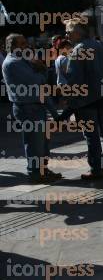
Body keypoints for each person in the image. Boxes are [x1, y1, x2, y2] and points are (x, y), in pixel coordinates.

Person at [2, 34, 63, 183]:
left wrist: (55, 112)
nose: (26, 46)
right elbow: (37, 80)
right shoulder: (12, 63)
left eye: (25, 42)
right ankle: (35, 173)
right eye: (22, 44)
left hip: (37, 106)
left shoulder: (25, 60)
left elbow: (41, 81)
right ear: (13, 47)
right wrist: (41, 70)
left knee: (43, 142)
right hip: (27, 108)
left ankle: (42, 169)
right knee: (34, 143)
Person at [64, 19, 103, 179]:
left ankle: (97, 169)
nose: (67, 35)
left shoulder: (78, 50)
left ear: (79, 32)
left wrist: (70, 101)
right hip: (102, 96)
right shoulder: (100, 45)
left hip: (85, 100)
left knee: (91, 135)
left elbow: (73, 79)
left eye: (69, 31)